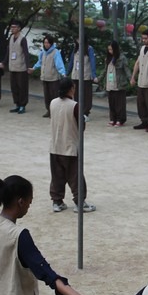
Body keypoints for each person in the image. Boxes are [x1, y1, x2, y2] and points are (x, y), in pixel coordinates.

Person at [49, 78, 95, 214]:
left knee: (57, 175)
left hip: (55, 145)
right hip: (70, 146)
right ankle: (80, 202)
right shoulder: (75, 105)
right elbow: (81, 126)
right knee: (75, 176)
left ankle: (57, 201)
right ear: (71, 89)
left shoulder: (52, 103)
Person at [32, 34, 65, 118]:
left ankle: (55, 112)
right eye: (45, 43)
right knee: (47, 96)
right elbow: (39, 62)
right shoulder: (43, 53)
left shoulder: (55, 52)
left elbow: (59, 64)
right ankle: (49, 110)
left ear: (51, 43)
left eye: (47, 43)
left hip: (53, 78)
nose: (46, 44)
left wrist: (63, 73)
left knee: (54, 96)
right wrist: (33, 68)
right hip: (45, 77)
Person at [2, 20, 31, 114]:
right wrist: (4, 62)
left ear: (19, 28)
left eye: (14, 27)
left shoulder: (23, 39)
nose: (12, 29)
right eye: (11, 27)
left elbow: (26, 53)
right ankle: (17, 104)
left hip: (21, 67)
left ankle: (23, 105)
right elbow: (8, 52)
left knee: (22, 87)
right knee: (14, 87)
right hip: (12, 66)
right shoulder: (10, 38)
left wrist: (28, 66)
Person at [68, 38, 97, 120]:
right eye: (77, 38)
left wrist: (94, 75)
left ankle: (85, 113)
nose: (78, 40)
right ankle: (77, 112)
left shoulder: (89, 49)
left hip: (86, 76)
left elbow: (92, 61)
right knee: (76, 95)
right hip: (76, 75)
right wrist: (67, 73)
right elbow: (71, 61)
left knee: (86, 95)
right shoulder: (75, 48)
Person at [105, 40, 129, 127]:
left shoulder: (122, 58)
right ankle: (113, 118)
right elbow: (105, 70)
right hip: (110, 83)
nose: (110, 51)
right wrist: (98, 78)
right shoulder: (108, 58)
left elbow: (126, 70)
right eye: (109, 50)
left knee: (120, 103)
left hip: (119, 84)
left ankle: (120, 119)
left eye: (111, 49)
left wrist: (131, 79)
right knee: (111, 103)